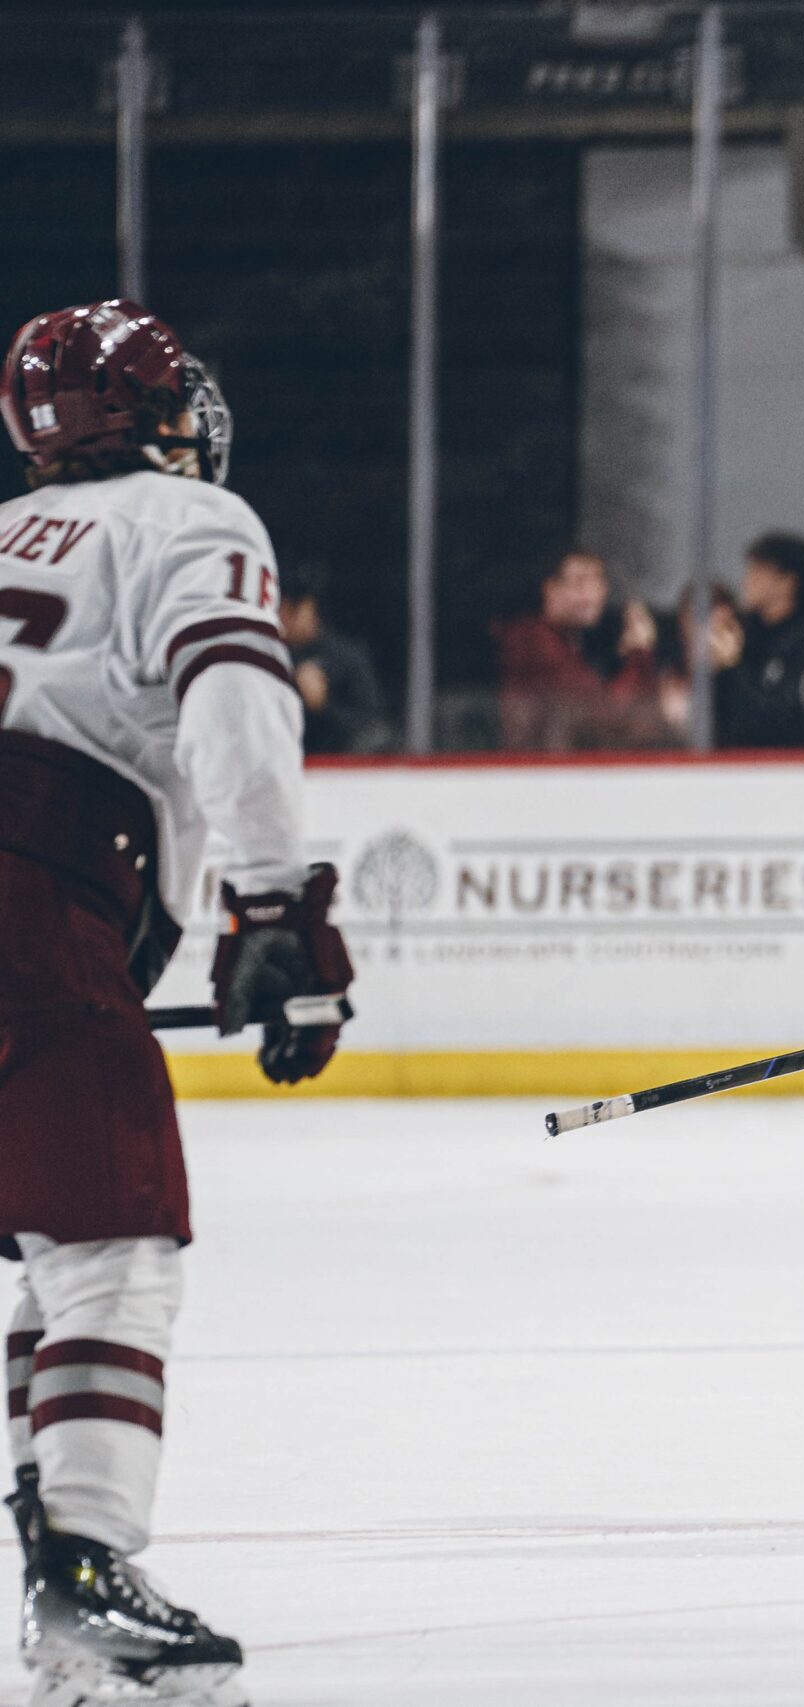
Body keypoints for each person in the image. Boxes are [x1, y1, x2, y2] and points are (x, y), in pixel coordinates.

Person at [0, 300, 355, 1706]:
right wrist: (274, 906)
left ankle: (54, 1561)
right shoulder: (184, 521)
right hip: (38, 893)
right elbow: (235, 702)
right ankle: (82, 1580)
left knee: (47, 1248)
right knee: (110, 1235)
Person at [490, 550, 677, 751]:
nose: (591, 595)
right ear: (550, 589)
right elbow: (606, 715)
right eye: (579, 583)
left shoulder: (573, 642)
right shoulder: (529, 638)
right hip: (534, 775)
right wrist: (640, 653)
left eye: (597, 582)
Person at [708, 531, 804, 748]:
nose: (747, 580)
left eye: (758, 570)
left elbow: (784, 726)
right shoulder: (748, 637)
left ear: (788, 582)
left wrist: (733, 667)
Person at [277, 564, 393, 756]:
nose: (281, 618)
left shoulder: (346, 659)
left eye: (292, 610)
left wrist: (324, 706)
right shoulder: (267, 657)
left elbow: (374, 731)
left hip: (337, 770)